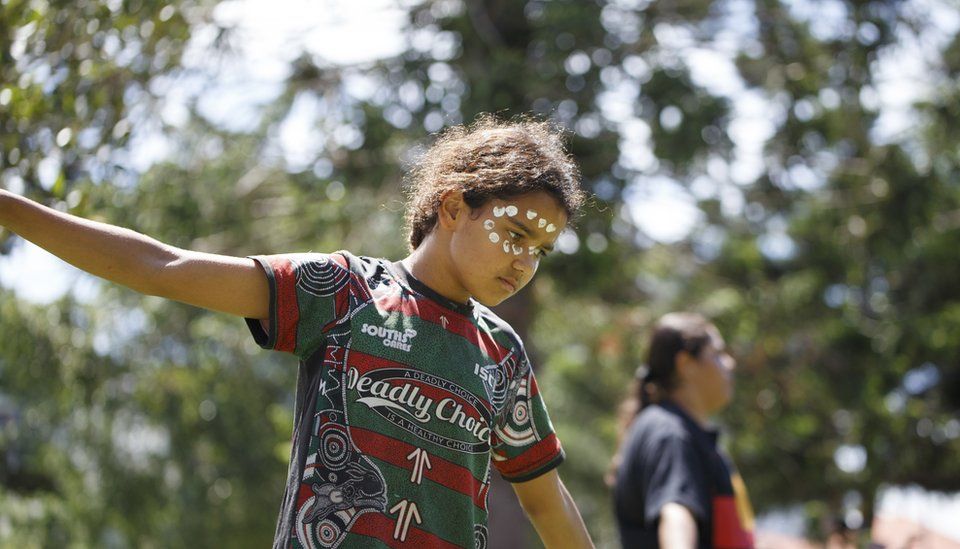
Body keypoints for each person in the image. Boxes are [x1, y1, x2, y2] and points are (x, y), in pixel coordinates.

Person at [0, 117, 595, 548]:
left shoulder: (503, 354)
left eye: (541, 251)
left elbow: (545, 500)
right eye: (516, 234)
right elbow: (160, 267)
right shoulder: (343, 293)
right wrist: (9, 207)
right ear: (453, 206)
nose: (525, 264)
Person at [608, 312, 754, 549]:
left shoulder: (686, 434)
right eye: (717, 354)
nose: (730, 363)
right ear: (686, 364)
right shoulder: (669, 434)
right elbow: (676, 516)